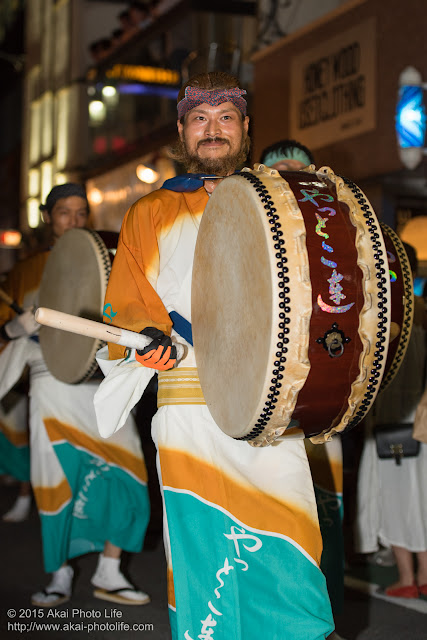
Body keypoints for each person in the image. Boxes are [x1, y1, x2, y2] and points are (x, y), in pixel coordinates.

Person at [95, 72, 334, 639]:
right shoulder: (150, 211)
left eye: (226, 117)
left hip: (270, 399)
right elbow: (127, 303)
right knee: (204, 551)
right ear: (181, 131)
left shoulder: (281, 204)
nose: (213, 129)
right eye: (199, 119)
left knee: (292, 536)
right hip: (189, 397)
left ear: (245, 129)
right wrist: (147, 338)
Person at [0, 183, 150, 607]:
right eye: (64, 212)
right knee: (57, 477)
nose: (74, 220)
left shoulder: (109, 258)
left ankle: (110, 568)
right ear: (48, 217)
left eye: (81, 212)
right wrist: (15, 329)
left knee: (129, 471)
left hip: (103, 379)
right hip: (50, 382)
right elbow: (1, 332)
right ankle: (59, 572)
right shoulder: (26, 271)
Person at [260, 139, 346, 630]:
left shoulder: (334, 230)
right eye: (280, 170)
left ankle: (328, 619)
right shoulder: (255, 228)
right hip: (268, 396)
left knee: (324, 511)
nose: (291, 176)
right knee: (277, 511)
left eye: (299, 168)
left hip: (325, 389)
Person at [355, 242, 427, 598]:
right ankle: (424, 574)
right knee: (422, 494)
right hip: (422, 419)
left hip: (390, 419)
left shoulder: (382, 310)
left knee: (395, 495)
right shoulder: (424, 310)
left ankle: (407, 577)